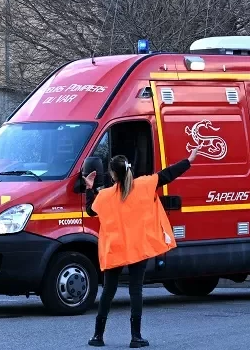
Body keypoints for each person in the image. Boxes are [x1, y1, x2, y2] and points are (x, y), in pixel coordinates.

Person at [84, 145, 201, 348]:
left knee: (108, 291)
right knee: (135, 290)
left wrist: (89, 188)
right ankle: (136, 337)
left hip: (114, 249)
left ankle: (97, 336)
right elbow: (167, 175)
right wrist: (189, 160)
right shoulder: (144, 185)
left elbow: (90, 210)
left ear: (113, 174)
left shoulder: (104, 196)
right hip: (138, 247)